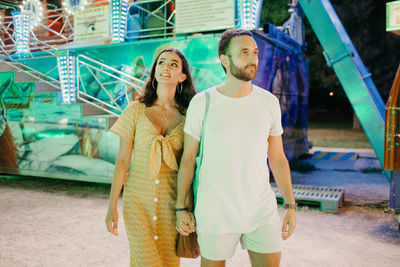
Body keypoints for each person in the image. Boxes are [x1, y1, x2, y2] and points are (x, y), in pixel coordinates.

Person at [176, 29, 296, 267]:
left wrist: (291, 205)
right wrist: (181, 207)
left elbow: (278, 158)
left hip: (261, 209)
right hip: (215, 211)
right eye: (243, 52)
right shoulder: (203, 102)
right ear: (224, 60)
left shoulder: (269, 102)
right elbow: (188, 159)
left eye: (255, 52)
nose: (252, 58)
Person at [105, 48, 196, 266]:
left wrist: (187, 207)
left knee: (169, 262)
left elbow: (191, 163)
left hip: (171, 203)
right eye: (161, 63)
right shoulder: (135, 110)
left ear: (182, 76)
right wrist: (111, 208)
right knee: (146, 261)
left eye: (174, 64)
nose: (166, 67)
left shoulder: (190, 116)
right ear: (154, 71)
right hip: (137, 201)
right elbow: (122, 162)